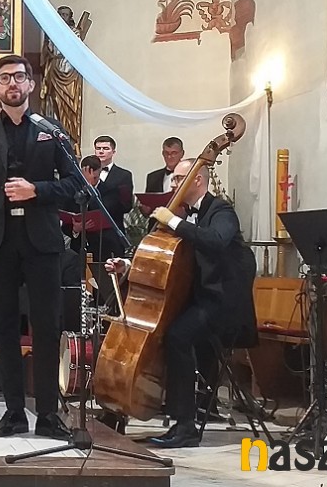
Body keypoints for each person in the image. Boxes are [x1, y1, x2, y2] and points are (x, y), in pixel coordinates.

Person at [0, 54, 80, 439]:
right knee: (5, 328)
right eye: (4, 78)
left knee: (47, 327)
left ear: (30, 84)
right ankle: (14, 412)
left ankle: (47, 414)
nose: (12, 83)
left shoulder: (50, 130)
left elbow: (75, 184)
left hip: (42, 242)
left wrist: (36, 190)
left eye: (18, 77)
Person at [105, 158, 257, 448]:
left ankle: (185, 425)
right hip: (198, 299)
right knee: (170, 332)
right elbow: (161, 257)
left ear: (197, 180)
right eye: (173, 179)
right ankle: (166, 411)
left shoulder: (221, 210)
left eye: (178, 179)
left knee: (178, 335)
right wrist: (129, 265)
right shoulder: (184, 215)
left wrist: (173, 220)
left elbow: (215, 240)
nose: (173, 184)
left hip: (224, 303)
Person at [92, 135, 134, 237]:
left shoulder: (124, 175)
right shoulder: (86, 173)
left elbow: (126, 205)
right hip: (89, 230)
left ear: (113, 152)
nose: (101, 151)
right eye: (98, 148)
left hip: (113, 230)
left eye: (106, 148)